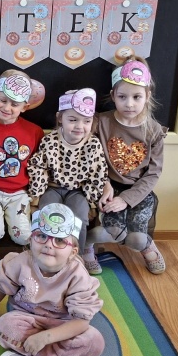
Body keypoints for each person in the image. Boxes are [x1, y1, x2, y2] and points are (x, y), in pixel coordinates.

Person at [0, 204, 105, 356]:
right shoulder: (20, 262)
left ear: (73, 252)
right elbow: (2, 287)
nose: (49, 245)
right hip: (26, 319)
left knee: (95, 341)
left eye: (59, 240)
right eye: (42, 236)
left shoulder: (78, 275)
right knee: (5, 324)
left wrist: (45, 338)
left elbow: (81, 322)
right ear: (30, 240)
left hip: (62, 325)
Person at [84, 58, 168, 275]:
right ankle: (86, 246)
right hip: (109, 188)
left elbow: (153, 173)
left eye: (136, 97)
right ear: (113, 96)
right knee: (110, 230)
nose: (129, 104)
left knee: (137, 238)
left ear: (147, 96)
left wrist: (127, 199)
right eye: (122, 97)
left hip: (139, 192)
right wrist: (104, 183)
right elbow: (91, 156)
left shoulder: (153, 130)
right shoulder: (101, 122)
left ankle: (147, 246)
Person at [0, 70, 44, 260]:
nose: (7, 107)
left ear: (24, 106)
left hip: (19, 193)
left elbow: (39, 164)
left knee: (22, 237)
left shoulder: (34, 132)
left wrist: (36, 195)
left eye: (14, 104)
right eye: (3, 100)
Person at [27, 89, 108, 254]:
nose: (79, 126)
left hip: (78, 191)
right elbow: (39, 168)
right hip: (52, 188)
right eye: (72, 120)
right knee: (47, 214)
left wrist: (92, 201)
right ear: (60, 118)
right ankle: (45, 253)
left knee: (79, 218)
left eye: (86, 121)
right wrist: (36, 196)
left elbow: (98, 173)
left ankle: (77, 255)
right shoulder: (50, 141)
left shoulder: (93, 144)